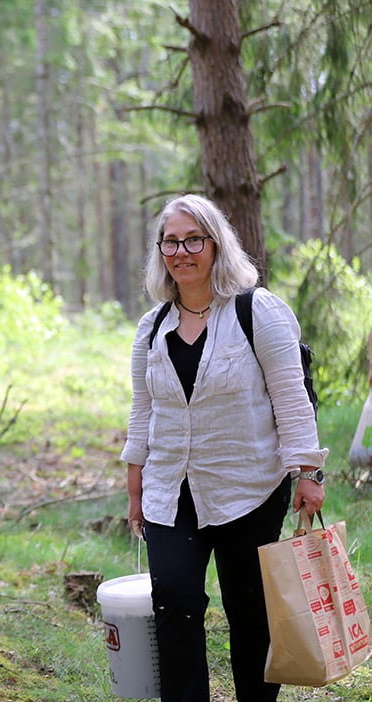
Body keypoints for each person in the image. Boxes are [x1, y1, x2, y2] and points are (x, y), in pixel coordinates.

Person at [121, 193, 327, 702]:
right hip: (171, 490)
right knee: (174, 602)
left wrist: (309, 474)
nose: (181, 251)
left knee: (251, 613)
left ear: (216, 245)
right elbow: (142, 413)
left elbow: (291, 399)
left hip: (250, 487)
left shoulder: (258, 312)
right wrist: (135, 486)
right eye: (170, 241)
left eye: (194, 239)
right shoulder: (151, 328)